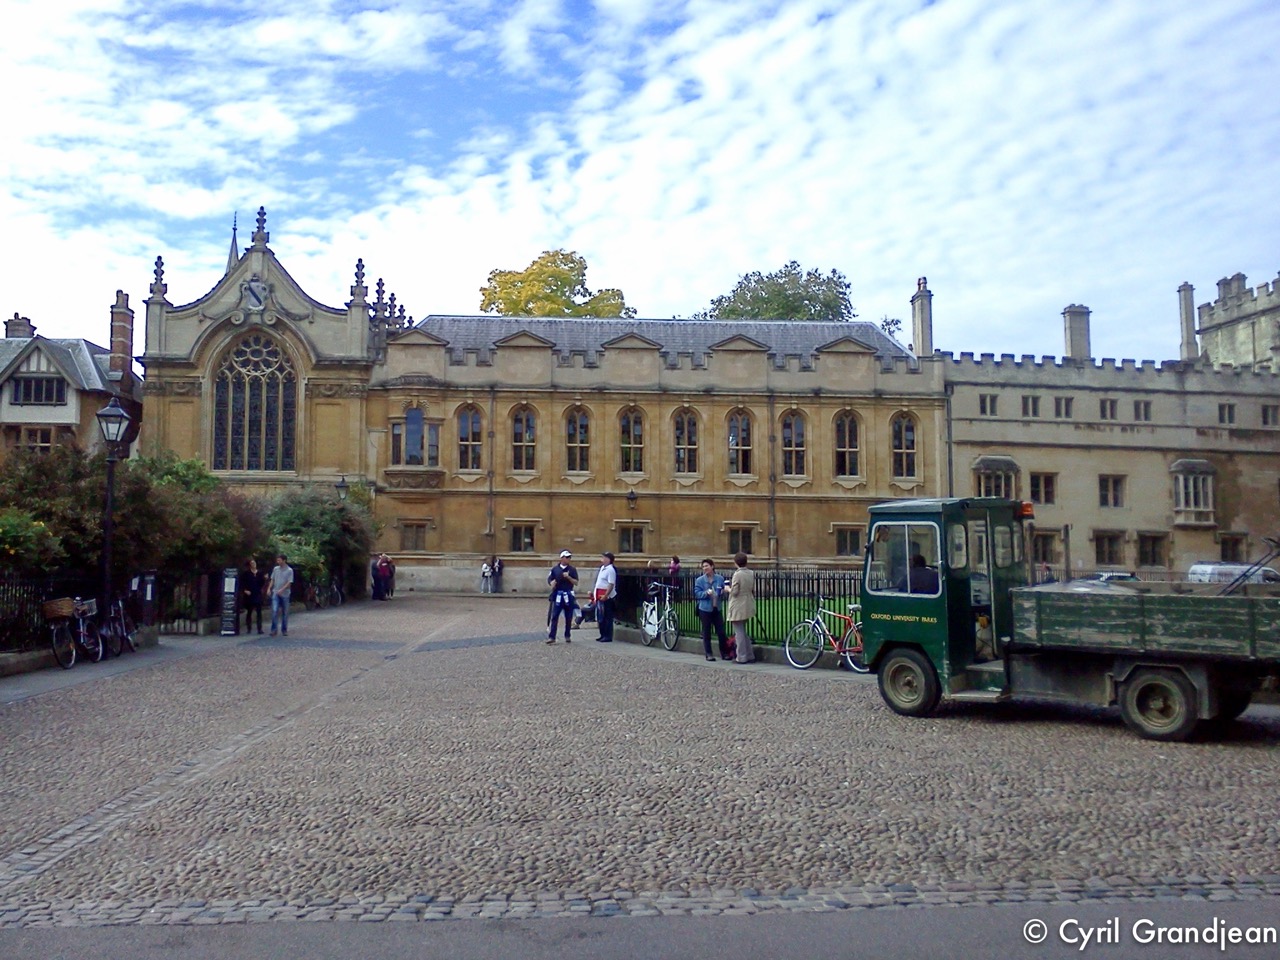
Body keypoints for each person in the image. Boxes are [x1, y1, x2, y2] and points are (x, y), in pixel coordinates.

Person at [694, 558, 732, 661]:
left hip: (717, 608)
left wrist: (723, 592)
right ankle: (709, 653)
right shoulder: (700, 580)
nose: (705, 568)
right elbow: (697, 593)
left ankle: (724, 653)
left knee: (721, 632)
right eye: (703, 566)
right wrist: (706, 593)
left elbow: (723, 590)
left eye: (706, 566)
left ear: (712, 566)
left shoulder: (719, 578)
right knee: (706, 632)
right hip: (705, 609)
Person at [726, 551, 756, 663]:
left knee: (739, 632)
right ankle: (750, 655)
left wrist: (727, 589)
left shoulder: (737, 574)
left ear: (736, 562)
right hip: (748, 603)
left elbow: (734, 592)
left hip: (738, 605)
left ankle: (741, 656)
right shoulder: (751, 573)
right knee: (743, 631)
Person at [546, 550, 578, 644]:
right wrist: (551, 583)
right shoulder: (555, 569)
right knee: (555, 616)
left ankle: (567, 635)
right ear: (561, 558)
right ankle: (552, 636)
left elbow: (576, 582)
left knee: (569, 616)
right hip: (558, 594)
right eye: (566, 557)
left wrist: (568, 577)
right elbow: (550, 579)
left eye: (569, 557)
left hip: (568, 594)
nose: (568, 559)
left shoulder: (572, 569)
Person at [593, 551, 618, 643]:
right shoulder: (603, 568)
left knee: (607, 616)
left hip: (606, 596)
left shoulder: (610, 570)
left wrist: (606, 595)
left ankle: (608, 635)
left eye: (604, 557)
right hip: (599, 594)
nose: (602, 559)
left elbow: (611, 584)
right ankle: (602, 634)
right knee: (601, 616)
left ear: (608, 559)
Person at [269, 553, 294, 637]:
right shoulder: (276, 569)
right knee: (274, 610)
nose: (278, 562)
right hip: (275, 592)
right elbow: (272, 579)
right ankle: (274, 629)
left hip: (285, 594)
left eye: (279, 560)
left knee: (285, 612)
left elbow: (289, 582)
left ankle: (284, 629)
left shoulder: (289, 570)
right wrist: (269, 588)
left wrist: (282, 589)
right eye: (277, 560)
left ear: (284, 560)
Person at [239, 558, 265, 635]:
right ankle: (249, 628)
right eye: (252, 563)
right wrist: (245, 590)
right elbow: (241, 583)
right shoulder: (246, 573)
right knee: (249, 612)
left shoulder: (260, 573)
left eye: (254, 563)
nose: (254, 565)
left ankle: (259, 628)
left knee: (259, 612)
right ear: (249, 565)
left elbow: (262, 583)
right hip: (249, 594)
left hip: (257, 593)